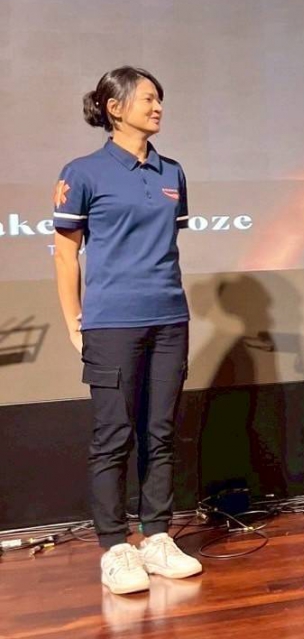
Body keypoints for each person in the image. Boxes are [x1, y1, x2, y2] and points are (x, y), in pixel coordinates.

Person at [53, 67, 202, 594]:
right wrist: (74, 320)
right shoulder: (83, 172)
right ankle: (115, 547)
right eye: (147, 98)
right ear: (114, 108)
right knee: (114, 434)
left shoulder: (172, 171)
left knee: (159, 432)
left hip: (170, 319)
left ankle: (156, 536)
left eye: (160, 99)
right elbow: (66, 253)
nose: (157, 107)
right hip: (112, 322)